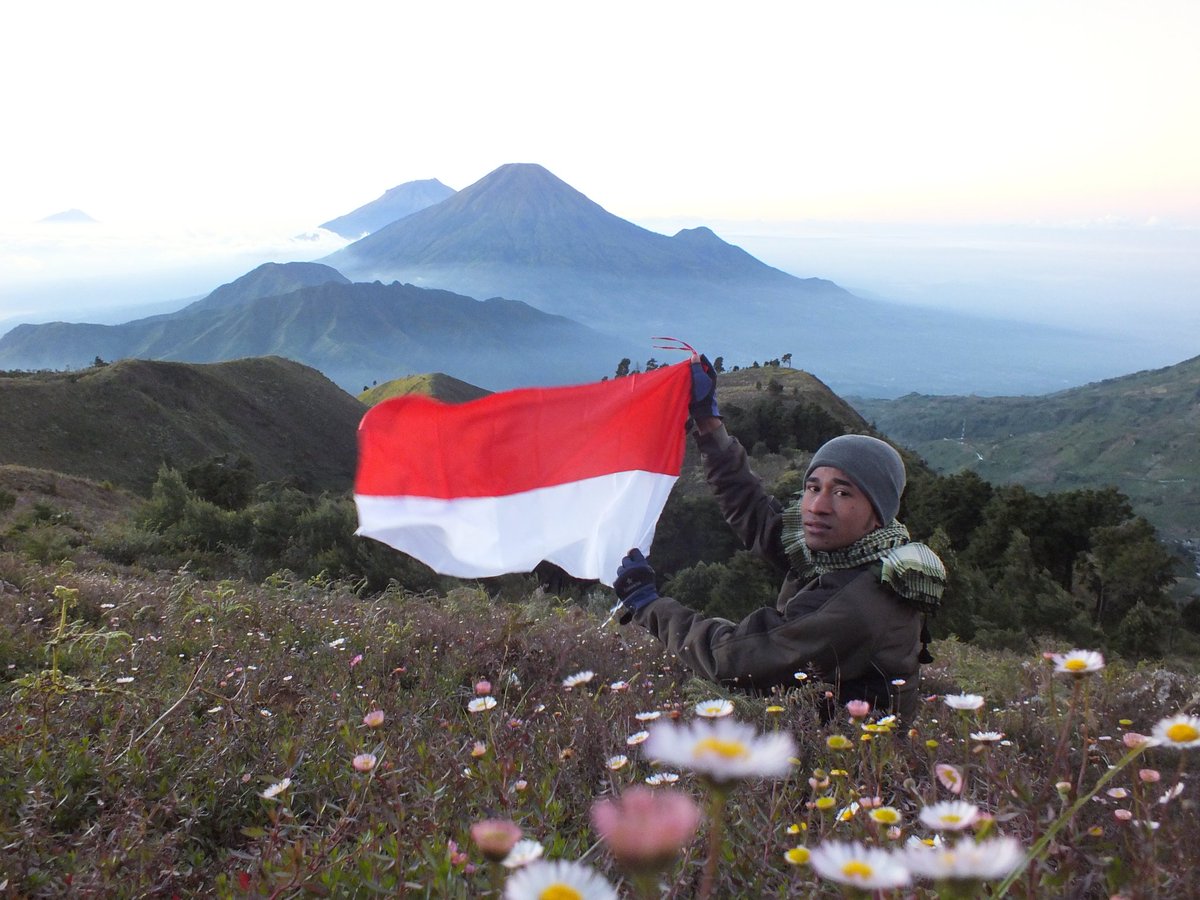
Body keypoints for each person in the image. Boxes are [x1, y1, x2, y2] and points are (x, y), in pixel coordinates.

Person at [613, 355, 945, 722]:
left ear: (878, 512)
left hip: (850, 761)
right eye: (813, 487)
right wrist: (709, 425)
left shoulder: (854, 604)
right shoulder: (851, 553)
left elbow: (734, 659)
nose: (817, 506)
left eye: (843, 493)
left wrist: (649, 605)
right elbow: (758, 518)